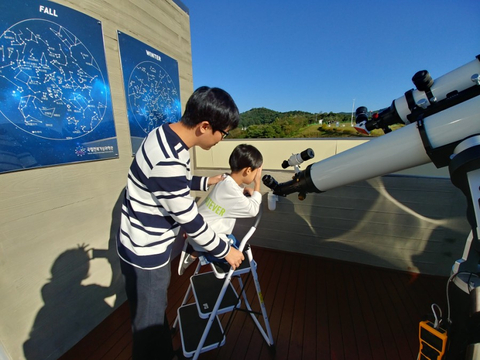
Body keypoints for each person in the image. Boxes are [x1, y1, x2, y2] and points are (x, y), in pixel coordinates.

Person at [117, 86, 245, 360]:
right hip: (146, 255)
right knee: (147, 327)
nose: (223, 139)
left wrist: (204, 182)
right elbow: (191, 222)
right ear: (205, 126)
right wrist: (226, 250)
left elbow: (169, 184)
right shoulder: (170, 159)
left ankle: (165, 352)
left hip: (136, 243)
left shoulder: (164, 134)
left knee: (154, 312)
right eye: (224, 132)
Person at [178, 143, 263, 275]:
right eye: (256, 172)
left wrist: (243, 190)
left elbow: (230, 195)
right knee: (237, 255)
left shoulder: (225, 179)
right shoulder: (232, 191)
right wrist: (258, 183)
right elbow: (253, 210)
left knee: (234, 241)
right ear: (247, 170)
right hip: (204, 235)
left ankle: (194, 250)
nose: (256, 175)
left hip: (197, 227)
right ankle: (196, 251)